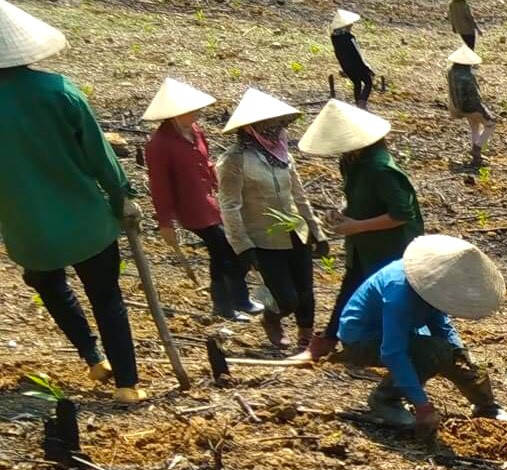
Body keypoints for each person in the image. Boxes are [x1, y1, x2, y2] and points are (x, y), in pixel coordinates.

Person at [0, 0, 146, 403]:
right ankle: (127, 384)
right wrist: (122, 198)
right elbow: (100, 157)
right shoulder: (60, 92)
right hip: (86, 223)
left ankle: (91, 355)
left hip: (27, 231)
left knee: (49, 284)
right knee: (107, 298)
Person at [338, 235, 507, 437]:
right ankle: (386, 399)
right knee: (435, 352)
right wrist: (422, 406)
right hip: (361, 341)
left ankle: (486, 406)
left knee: (455, 354)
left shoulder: (434, 285)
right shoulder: (399, 293)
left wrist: (461, 356)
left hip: (403, 330)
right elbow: (392, 352)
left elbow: (441, 323)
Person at [296, 100, 424, 361]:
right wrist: (343, 214)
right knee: (352, 288)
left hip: (390, 247)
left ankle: (410, 347)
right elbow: (359, 200)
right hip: (362, 246)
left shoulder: (381, 169)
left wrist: (355, 226)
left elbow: (402, 214)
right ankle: (329, 340)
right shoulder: (351, 162)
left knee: (393, 297)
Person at [218, 88, 329, 350]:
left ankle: (306, 338)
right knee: (285, 297)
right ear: (251, 128)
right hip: (263, 238)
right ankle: (271, 318)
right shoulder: (233, 161)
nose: (276, 129)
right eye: (269, 124)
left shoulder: (283, 155)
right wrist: (243, 246)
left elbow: (299, 197)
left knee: (305, 292)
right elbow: (230, 206)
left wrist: (317, 231)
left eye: (278, 124)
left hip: (295, 231)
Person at [143, 78, 261, 324]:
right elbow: (160, 187)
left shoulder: (195, 131)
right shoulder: (159, 145)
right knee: (225, 250)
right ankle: (227, 303)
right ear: (176, 113)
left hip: (211, 202)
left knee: (224, 252)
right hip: (192, 210)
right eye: (192, 109)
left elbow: (205, 164)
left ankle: (236, 300)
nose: (198, 113)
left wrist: (223, 184)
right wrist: (166, 223)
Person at [446, 46, 496, 169]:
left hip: (458, 105)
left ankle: (476, 156)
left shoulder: (451, 71)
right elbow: (474, 98)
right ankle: (477, 149)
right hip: (470, 106)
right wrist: (484, 112)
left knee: (475, 126)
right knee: (490, 124)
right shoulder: (467, 76)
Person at [330, 9, 375, 109]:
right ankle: (362, 103)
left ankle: (357, 103)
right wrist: (367, 68)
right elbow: (358, 54)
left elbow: (339, 55)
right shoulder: (350, 38)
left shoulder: (334, 38)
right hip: (357, 65)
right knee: (368, 82)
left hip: (346, 66)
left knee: (357, 83)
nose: (352, 25)